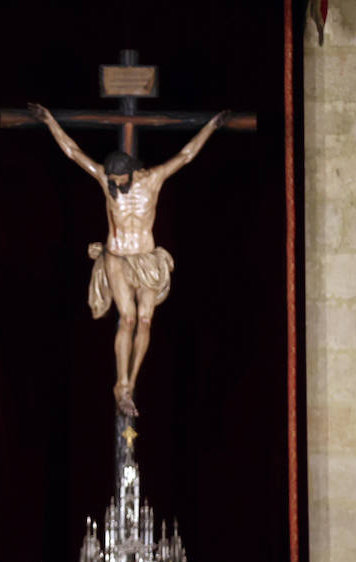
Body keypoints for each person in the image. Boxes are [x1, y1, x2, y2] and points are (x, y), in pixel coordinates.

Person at [28, 103, 228, 416]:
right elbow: (73, 151)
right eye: (112, 179)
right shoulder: (105, 182)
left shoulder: (153, 179)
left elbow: (187, 155)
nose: (115, 184)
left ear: (131, 171)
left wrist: (211, 127)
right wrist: (50, 121)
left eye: (119, 179)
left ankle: (131, 384)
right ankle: (120, 384)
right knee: (129, 318)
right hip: (117, 257)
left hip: (147, 258)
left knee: (146, 320)